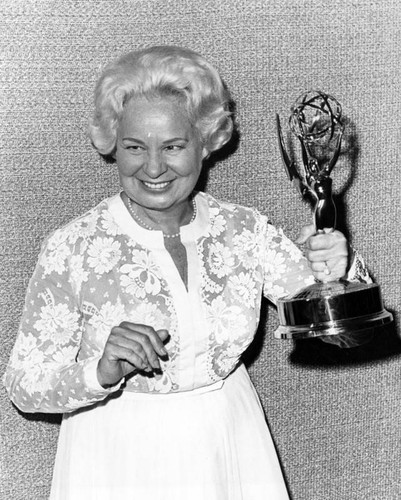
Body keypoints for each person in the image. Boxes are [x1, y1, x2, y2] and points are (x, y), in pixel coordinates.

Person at [3, 46, 367, 500]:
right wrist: (97, 372)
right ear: (113, 143)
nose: (152, 168)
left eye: (173, 146)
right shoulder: (72, 247)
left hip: (228, 444)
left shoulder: (245, 231)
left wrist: (337, 267)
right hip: (115, 456)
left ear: (205, 143)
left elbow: (339, 332)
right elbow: (24, 386)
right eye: (135, 146)